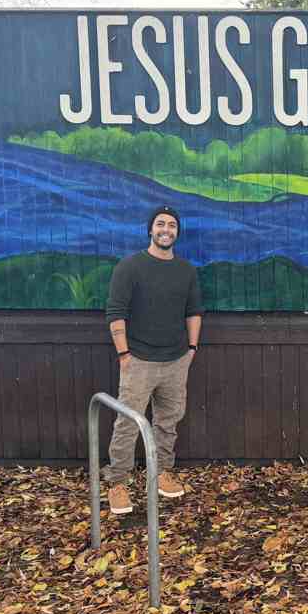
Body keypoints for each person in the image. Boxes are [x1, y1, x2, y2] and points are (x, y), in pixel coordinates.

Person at [103, 206, 204, 514]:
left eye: (172, 225)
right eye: (160, 224)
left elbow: (194, 311)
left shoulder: (186, 271)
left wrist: (191, 348)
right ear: (150, 229)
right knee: (127, 423)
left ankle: (161, 473)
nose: (166, 229)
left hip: (176, 360)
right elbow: (115, 312)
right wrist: (124, 354)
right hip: (138, 360)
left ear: (177, 232)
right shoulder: (130, 267)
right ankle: (118, 483)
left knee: (168, 422)